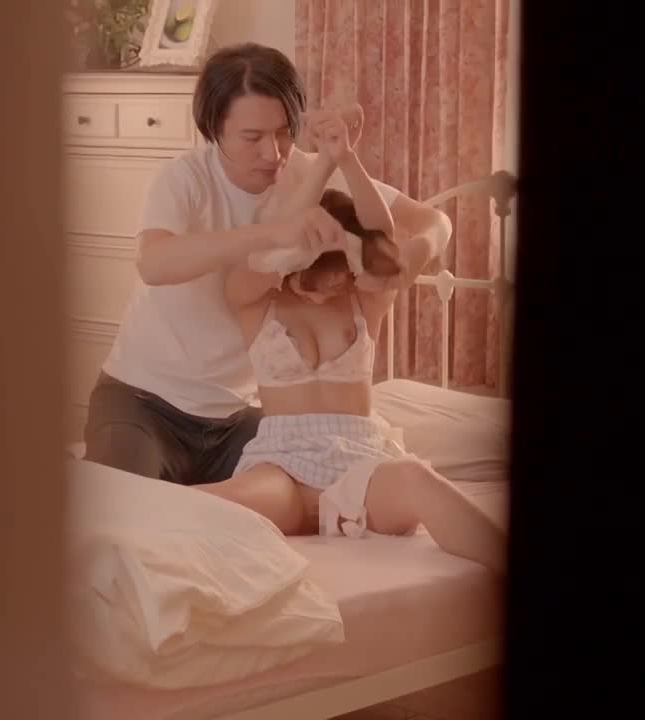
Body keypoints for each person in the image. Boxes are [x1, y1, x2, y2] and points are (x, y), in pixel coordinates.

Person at [82, 42, 452, 487]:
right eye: (252, 137)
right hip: (143, 402)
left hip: (240, 419)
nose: (273, 153)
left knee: (326, 484)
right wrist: (274, 234)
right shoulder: (184, 179)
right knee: (123, 506)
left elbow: (434, 220)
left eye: (284, 133)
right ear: (214, 129)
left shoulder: (311, 170)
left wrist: (421, 248)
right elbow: (155, 264)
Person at [195, 113, 506, 573]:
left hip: (362, 462)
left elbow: (385, 242)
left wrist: (348, 160)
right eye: (308, 283)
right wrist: (311, 202)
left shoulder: (365, 302)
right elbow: (273, 251)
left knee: (416, 477)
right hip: (282, 465)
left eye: (335, 281)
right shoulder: (255, 300)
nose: (321, 294)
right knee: (199, 505)